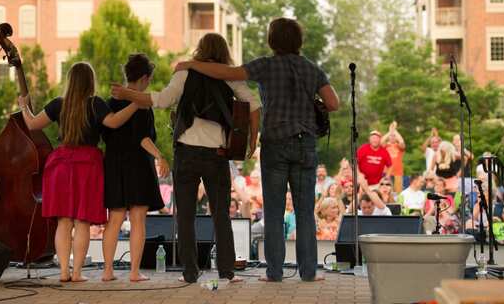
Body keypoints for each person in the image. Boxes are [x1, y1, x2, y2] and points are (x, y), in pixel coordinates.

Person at [171, 18, 339, 282]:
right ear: (299, 41)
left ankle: (274, 273)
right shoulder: (311, 69)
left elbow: (226, 73)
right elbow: (333, 103)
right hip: (305, 143)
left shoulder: (266, 65)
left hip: (274, 144)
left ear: (272, 40)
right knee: (305, 211)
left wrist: (192, 64)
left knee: (273, 211)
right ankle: (308, 272)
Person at [112, 33, 261, 284]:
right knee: (221, 214)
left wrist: (128, 95)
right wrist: (252, 140)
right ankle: (227, 271)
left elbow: (161, 100)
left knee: (185, 216)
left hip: (187, 151)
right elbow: (254, 105)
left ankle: (190, 273)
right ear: (223, 51)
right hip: (217, 154)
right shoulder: (229, 75)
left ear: (200, 50)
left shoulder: (184, 73)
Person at [18, 61, 140, 283]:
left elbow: (33, 124)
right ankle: (76, 274)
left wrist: (24, 105)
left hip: (61, 165)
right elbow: (113, 123)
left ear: (70, 82)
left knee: (64, 221)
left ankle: (64, 272)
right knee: (82, 221)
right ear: (90, 82)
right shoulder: (95, 104)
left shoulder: (58, 104)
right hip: (88, 165)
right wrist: (135, 104)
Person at [101, 54, 169, 283]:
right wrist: (160, 156)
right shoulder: (141, 103)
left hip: (113, 165)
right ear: (144, 77)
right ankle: (133, 273)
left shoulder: (110, 103)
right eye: (149, 79)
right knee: (138, 218)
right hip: (138, 165)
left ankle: (108, 271)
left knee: (115, 218)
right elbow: (142, 138)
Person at [381, 121, 406, 192]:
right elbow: (381, 141)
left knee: (398, 192)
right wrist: (390, 131)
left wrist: (394, 130)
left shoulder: (399, 146)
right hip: (386, 173)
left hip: (398, 173)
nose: (392, 137)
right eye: (391, 136)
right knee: (386, 191)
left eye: (394, 135)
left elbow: (401, 142)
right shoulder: (385, 146)